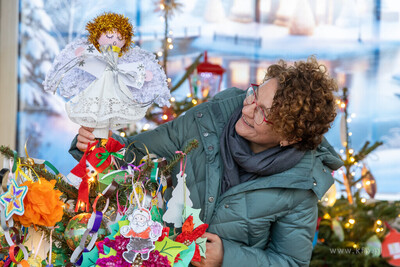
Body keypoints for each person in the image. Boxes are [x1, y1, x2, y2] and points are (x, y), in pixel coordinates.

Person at [70, 57, 343, 266]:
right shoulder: (210, 118)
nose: (247, 109)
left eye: (263, 113)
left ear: (289, 136)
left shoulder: (301, 183)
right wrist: (99, 144)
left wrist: (227, 257)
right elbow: (138, 154)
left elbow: (290, 261)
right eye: (254, 95)